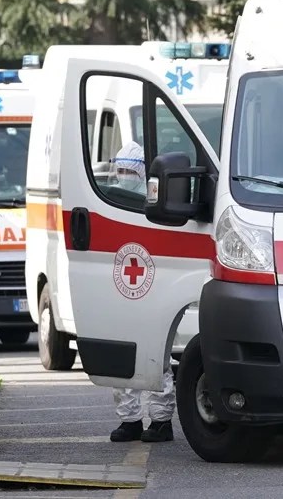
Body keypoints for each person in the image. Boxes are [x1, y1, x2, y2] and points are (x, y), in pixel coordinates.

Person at [107, 141, 176, 443]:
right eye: (119, 169)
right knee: (123, 359)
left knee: (156, 358)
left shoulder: (155, 207)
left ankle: (161, 421)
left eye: (128, 170)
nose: (123, 176)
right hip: (124, 290)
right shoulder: (110, 202)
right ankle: (130, 420)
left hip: (152, 292)